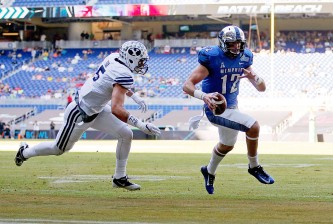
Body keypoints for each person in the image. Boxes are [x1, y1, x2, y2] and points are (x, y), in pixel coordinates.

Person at [15, 41, 161, 191]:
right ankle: (25, 152)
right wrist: (141, 125)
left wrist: (135, 96)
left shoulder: (114, 57)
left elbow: (112, 82)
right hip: (79, 113)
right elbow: (117, 108)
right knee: (58, 149)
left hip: (96, 109)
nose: (142, 64)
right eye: (141, 60)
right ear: (131, 58)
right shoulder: (124, 73)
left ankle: (119, 178)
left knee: (126, 134)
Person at [182, 25, 274, 195]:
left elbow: (262, 88)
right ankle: (254, 166)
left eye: (239, 44)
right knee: (253, 126)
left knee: (226, 146)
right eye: (232, 44)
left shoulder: (244, 58)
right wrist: (204, 96)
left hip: (232, 107)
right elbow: (187, 86)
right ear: (223, 43)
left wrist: (256, 78)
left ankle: (208, 171)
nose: (236, 47)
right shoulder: (212, 57)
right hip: (216, 109)